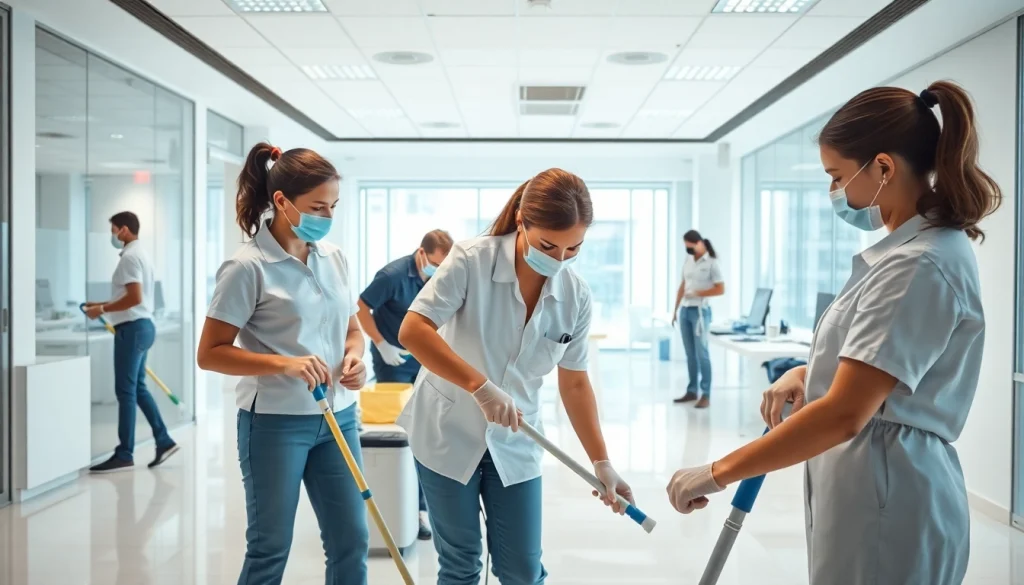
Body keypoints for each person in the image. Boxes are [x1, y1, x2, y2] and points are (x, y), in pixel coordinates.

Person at [665, 81, 1001, 585]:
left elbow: (847, 412)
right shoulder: (901, 255)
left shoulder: (919, 264)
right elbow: (872, 365)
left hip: (891, 498)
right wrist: (809, 371)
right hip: (868, 487)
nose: (833, 193)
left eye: (837, 176)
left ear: (883, 168)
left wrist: (716, 472)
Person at [397, 168, 635, 585]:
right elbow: (413, 330)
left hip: (517, 439)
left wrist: (602, 461)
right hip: (446, 431)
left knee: (522, 571)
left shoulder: (575, 295)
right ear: (522, 220)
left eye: (573, 249)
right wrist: (480, 386)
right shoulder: (471, 259)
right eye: (548, 246)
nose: (559, 260)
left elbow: (575, 381)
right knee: (461, 564)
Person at [196, 143, 369, 584]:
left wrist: (354, 356)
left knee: (351, 541)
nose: (326, 216)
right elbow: (210, 352)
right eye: (317, 206)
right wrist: (284, 365)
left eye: (333, 206)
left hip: (339, 419)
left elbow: (353, 329)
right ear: (281, 202)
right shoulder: (246, 267)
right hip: (275, 423)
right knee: (271, 547)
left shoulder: (335, 257)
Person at [356, 228, 453, 541]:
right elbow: (360, 306)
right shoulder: (392, 275)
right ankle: (413, 510)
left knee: (430, 430)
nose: (439, 271)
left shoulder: (442, 275)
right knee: (405, 434)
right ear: (422, 254)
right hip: (394, 365)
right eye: (436, 264)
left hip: (427, 362)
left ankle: (427, 506)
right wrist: (381, 342)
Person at [85, 211, 178, 473]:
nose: (112, 235)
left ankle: (124, 453)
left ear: (124, 230)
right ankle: (163, 440)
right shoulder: (140, 254)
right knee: (137, 388)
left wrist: (102, 310)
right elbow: (133, 297)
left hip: (133, 329)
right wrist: (101, 305)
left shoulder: (130, 257)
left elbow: (134, 297)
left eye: (113, 229)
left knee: (126, 392)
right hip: (142, 326)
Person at [670, 230, 724, 408]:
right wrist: (675, 310)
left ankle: (706, 394)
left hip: (701, 312)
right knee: (690, 354)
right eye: (686, 247)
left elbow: (720, 289)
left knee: (702, 354)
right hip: (685, 310)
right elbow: (683, 285)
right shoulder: (689, 261)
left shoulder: (712, 263)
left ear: (699, 242)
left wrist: (698, 293)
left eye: (691, 246)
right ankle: (692, 391)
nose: (689, 250)